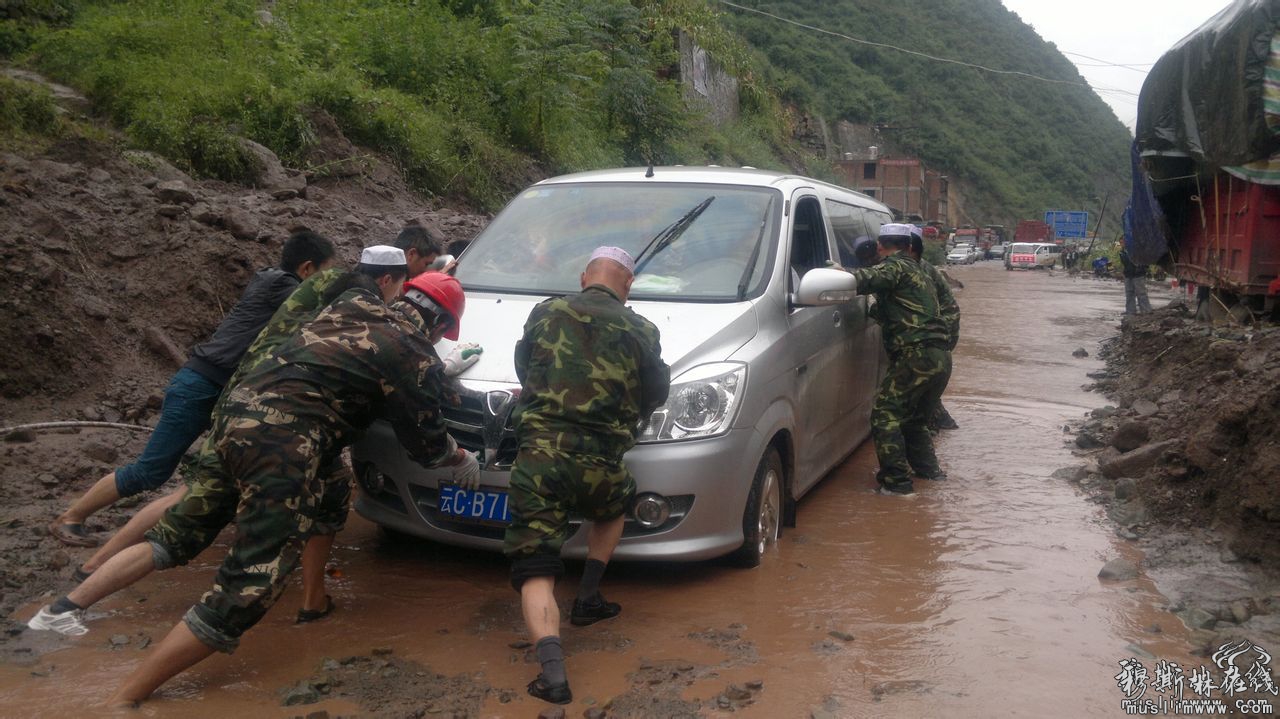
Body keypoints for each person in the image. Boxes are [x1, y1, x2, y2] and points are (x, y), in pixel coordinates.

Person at [32, 248, 479, 706]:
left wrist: (435, 374)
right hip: (285, 443)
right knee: (251, 582)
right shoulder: (413, 352)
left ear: (405, 292)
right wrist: (458, 455)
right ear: (442, 327)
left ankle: (58, 611)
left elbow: (354, 358)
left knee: (182, 529)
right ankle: (120, 701)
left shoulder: (351, 304)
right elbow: (423, 442)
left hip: (237, 415)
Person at [48, 231, 336, 547]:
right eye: (325, 272)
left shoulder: (271, 280)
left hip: (219, 388)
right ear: (308, 269)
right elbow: (327, 315)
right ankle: (70, 518)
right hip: (201, 386)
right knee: (150, 472)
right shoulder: (285, 287)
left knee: (232, 464)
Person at [505, 247, 669, 705]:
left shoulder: (545, 313)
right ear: (628, 284)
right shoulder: (641, 329)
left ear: (584, 277)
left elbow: (525, 366)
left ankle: (553, 677)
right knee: (615, 506)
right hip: (601, 460)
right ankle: (589, 598)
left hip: (540, 459)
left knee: (536, 566)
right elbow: (657, 392)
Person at [850, 224, 952, 496]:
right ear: (910, 247)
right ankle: (930, 475)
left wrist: (836, 273)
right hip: (940, 357)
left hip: (915, 355)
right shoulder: (923, 271)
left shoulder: (895, 266)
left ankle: (897, 486)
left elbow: (861, 280)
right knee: (915, 419)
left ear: (882, 248)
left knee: (885, 415)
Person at [909, 227, 960, 432]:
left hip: (933, 338)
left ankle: (931, 427)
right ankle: (938, 422)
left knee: (922, 387)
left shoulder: (918, 270)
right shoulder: (920, 267)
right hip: (938, 336)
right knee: (927, 386)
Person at [1119, 247, 1152, 314]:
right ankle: (1130, 311)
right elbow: (1125, 263)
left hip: (1138, 274)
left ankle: (1146, 311)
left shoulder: (1140, 249)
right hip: (1128, 274)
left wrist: (1141, 268)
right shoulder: (1123, 252)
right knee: (1129, 293)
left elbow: (1146, 261)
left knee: (1141, 293)